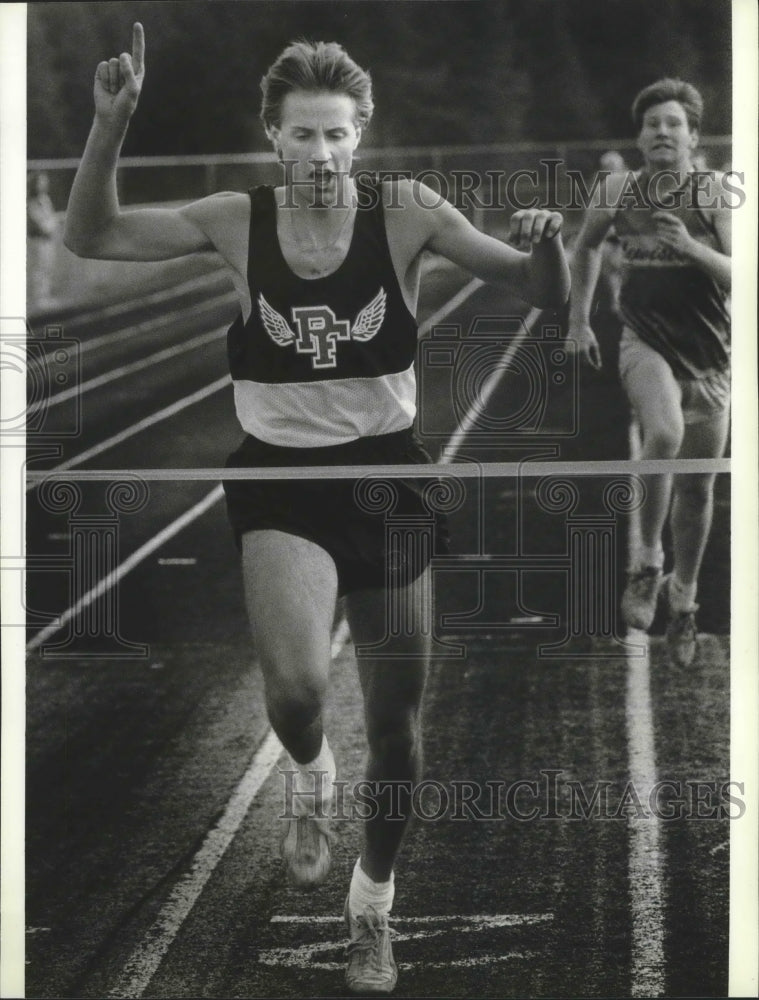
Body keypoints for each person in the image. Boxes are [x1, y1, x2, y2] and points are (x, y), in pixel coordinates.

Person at [64, 24, 569, 994]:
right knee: (296, 692)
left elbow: (532, 289)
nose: (324, 154)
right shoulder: (235, 220)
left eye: (339, 135)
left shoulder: (410, 213)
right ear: (274, 139)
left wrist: (545, 248)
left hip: (385, 474)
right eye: (304, 135)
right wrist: (111, 126)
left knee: (401, 727)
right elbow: (95, 235)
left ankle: (372, 905)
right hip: (282, 478)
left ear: (362, 136)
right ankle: (310, 773)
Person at [568, 78, 731, 667]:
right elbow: (584, 248)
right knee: (663, 433)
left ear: (692, 136)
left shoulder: (715, 193)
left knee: (698, 487)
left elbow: (741, 274)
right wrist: (580, 320)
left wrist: (692, 248)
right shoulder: (618, 189)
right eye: (652, 124)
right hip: (644, 340)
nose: (663, 132)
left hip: (712, 357)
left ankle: (684, 600)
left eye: (674, 123)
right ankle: (646, 563)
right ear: (640, 137)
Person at [27, 170, 59, 310]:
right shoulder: (31, 201)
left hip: (48, 239)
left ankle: (45, 296)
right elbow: (36, 221)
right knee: (38, 269)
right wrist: (47, 226)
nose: (44, 184)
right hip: (38, 240)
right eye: (41, 182)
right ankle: (38, 299)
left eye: (45, 182)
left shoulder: (45, 199)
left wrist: (51, 225)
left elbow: (51, 217)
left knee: (47, 267)